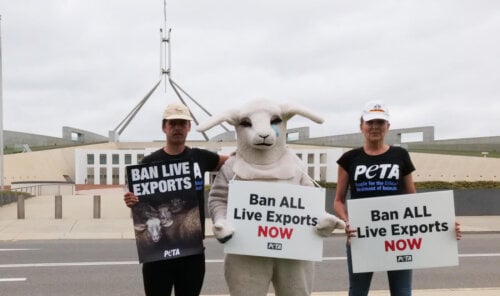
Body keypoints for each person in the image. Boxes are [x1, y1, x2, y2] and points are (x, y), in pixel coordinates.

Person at [333, 101, 461, 296]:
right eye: (370, 122)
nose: (375, 127)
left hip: (398, 236)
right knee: (357, 291)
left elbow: (413, 199)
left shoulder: (400, 155)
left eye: (380, 122)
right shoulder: (349, 159)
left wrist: (442, 226)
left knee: (402, 291)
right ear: (361, 127)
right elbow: (338, 201)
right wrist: (347, 221)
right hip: (361, 237)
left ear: (388, 127)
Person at [124, 102, 227, 296]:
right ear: (164, 127)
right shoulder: (148, 163)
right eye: (172, 123)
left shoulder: (200, 157)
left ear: (189, 127)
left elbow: (232, 163)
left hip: (191, 251)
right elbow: (136, 199)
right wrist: (130, 200)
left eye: (182, 123)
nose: (177, 128)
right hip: (157, 254)